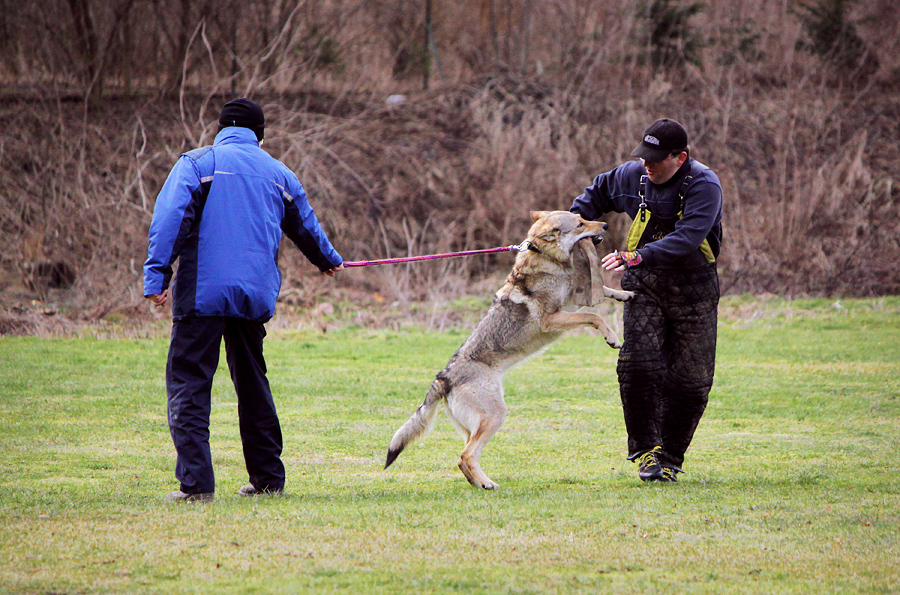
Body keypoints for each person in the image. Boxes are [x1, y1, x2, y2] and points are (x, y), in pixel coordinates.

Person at [144, 98, 344, 502]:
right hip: (253, 297)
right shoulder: (279, 174)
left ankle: (197, 487)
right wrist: (328, 260)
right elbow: (305, 224)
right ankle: (268, 479)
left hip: (203, 292)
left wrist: (157, 275)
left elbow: (170, 219)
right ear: (260, 135)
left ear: (220, 130)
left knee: (190, 384)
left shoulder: (198, 164)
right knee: (253, 384)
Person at [570, 118, 722, 482]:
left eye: (656, 159)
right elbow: (590, 201)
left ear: (680, 157)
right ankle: (646, 452)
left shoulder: (703, 185)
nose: (647, 165)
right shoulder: (633, 176)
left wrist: (633, 257)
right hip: (645, 286)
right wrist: (572, 231)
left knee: (691, 380)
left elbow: (687, 238)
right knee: (638, 365)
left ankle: (670, 457)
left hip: (694, 288)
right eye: (644, 156)